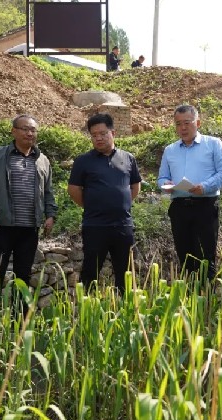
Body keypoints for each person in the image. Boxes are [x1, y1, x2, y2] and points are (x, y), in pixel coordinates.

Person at [0, 114, 58, 311]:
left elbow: (48, 191)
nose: (29, 133)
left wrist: (50, 215)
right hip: (2, 225)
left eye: (33, 130)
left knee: (23, 275)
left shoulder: (42, 160)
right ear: (13, 131)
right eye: (25, 129)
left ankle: (19, 321)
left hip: (29, 227)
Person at [68, 113, 142, 294]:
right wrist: (93, 205)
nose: (98, 138)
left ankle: (125, 311)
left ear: (113, 133)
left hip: (123, 225)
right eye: (94, 135)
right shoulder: (83, 161)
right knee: (90, 272)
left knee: (124, 273)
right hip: (95, 225)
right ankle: (86, 312)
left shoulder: (128, 158)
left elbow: (135, 187)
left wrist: (119, 204)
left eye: (103, 133)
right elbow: (74, 190)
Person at [157, 105, 222, 281]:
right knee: (184, 258)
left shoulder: (213, 144)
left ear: (197, 122)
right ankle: (188, 302)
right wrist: (166, 184)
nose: (182, 128)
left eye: (187, 123)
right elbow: (161, 179)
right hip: (179, 208)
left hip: (205, 206)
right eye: (178, 124)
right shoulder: (170, 150)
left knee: (206, 259)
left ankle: (206, 303)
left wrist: (205, 186)